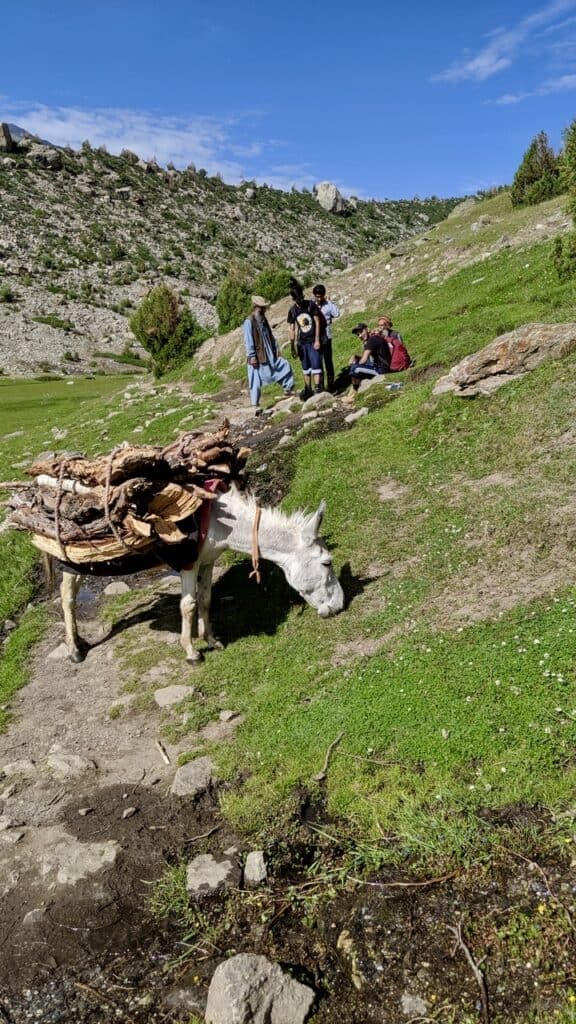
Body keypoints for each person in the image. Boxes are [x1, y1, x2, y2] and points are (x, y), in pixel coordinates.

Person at [243, 295, 295, 415]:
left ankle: (288, 388)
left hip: (269, 353)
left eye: (264, 307)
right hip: (257, 355)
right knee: (255, 380)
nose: (264, 309)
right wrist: (252, 356)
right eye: (262, 307)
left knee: (283, 365)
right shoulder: (248, 322)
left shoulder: (263, 319)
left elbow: (270, 335)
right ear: (256, 307)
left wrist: (276, 348)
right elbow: (248, 340)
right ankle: (255, 405)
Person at [287, 280, 323, 400]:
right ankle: (308, 388)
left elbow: (317, 321)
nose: (301, 300)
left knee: (316, 364)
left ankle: (318, 387)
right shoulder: (292, 311)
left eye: (301, 298)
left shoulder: (310, 305)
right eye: (298, 299)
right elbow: (292, 329)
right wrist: (292, 346)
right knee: (306, 367)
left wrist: (317, 340)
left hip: (312, 340)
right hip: (302, 342)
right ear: (294, 299)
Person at [312, 284, 340, 390]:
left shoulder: (327, 305)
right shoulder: (311, 305)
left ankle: (331, 384)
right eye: (317, 296)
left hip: (326, 335)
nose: (319, 298)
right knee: (318, 361)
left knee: (328, 360)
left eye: (320, 296)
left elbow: (336, 313)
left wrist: (329, 302)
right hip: (315, 336)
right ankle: (320, 385)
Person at [348, 322, 391, 390]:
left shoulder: (372, 340)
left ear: (367, 329)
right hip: (381, 367)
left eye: (361, 332)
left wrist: (353, 366)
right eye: (358, 334)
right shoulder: (373, 338)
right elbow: (366, 358)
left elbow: (363, 360)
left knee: (355, 369)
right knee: (356, 367)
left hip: (382, 370)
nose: (360, 335)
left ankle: (354, 393)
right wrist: (356, 357)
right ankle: (355, 390)